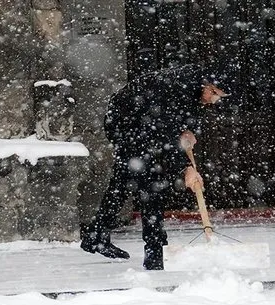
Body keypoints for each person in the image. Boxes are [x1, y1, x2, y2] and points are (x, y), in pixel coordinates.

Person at [80, 63, 229, 270]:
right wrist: (186, 168)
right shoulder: (177, 89)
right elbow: (164, 135)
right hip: (128, 124)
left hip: (143, 123)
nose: (214, 100)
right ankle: (155, 252)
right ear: (206, 85)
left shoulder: (192, 86)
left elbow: (183, 116)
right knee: (152, 182)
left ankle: (95, 235)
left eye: (219, 97)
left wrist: (188, 129)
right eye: (214, 93)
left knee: (124, 181)